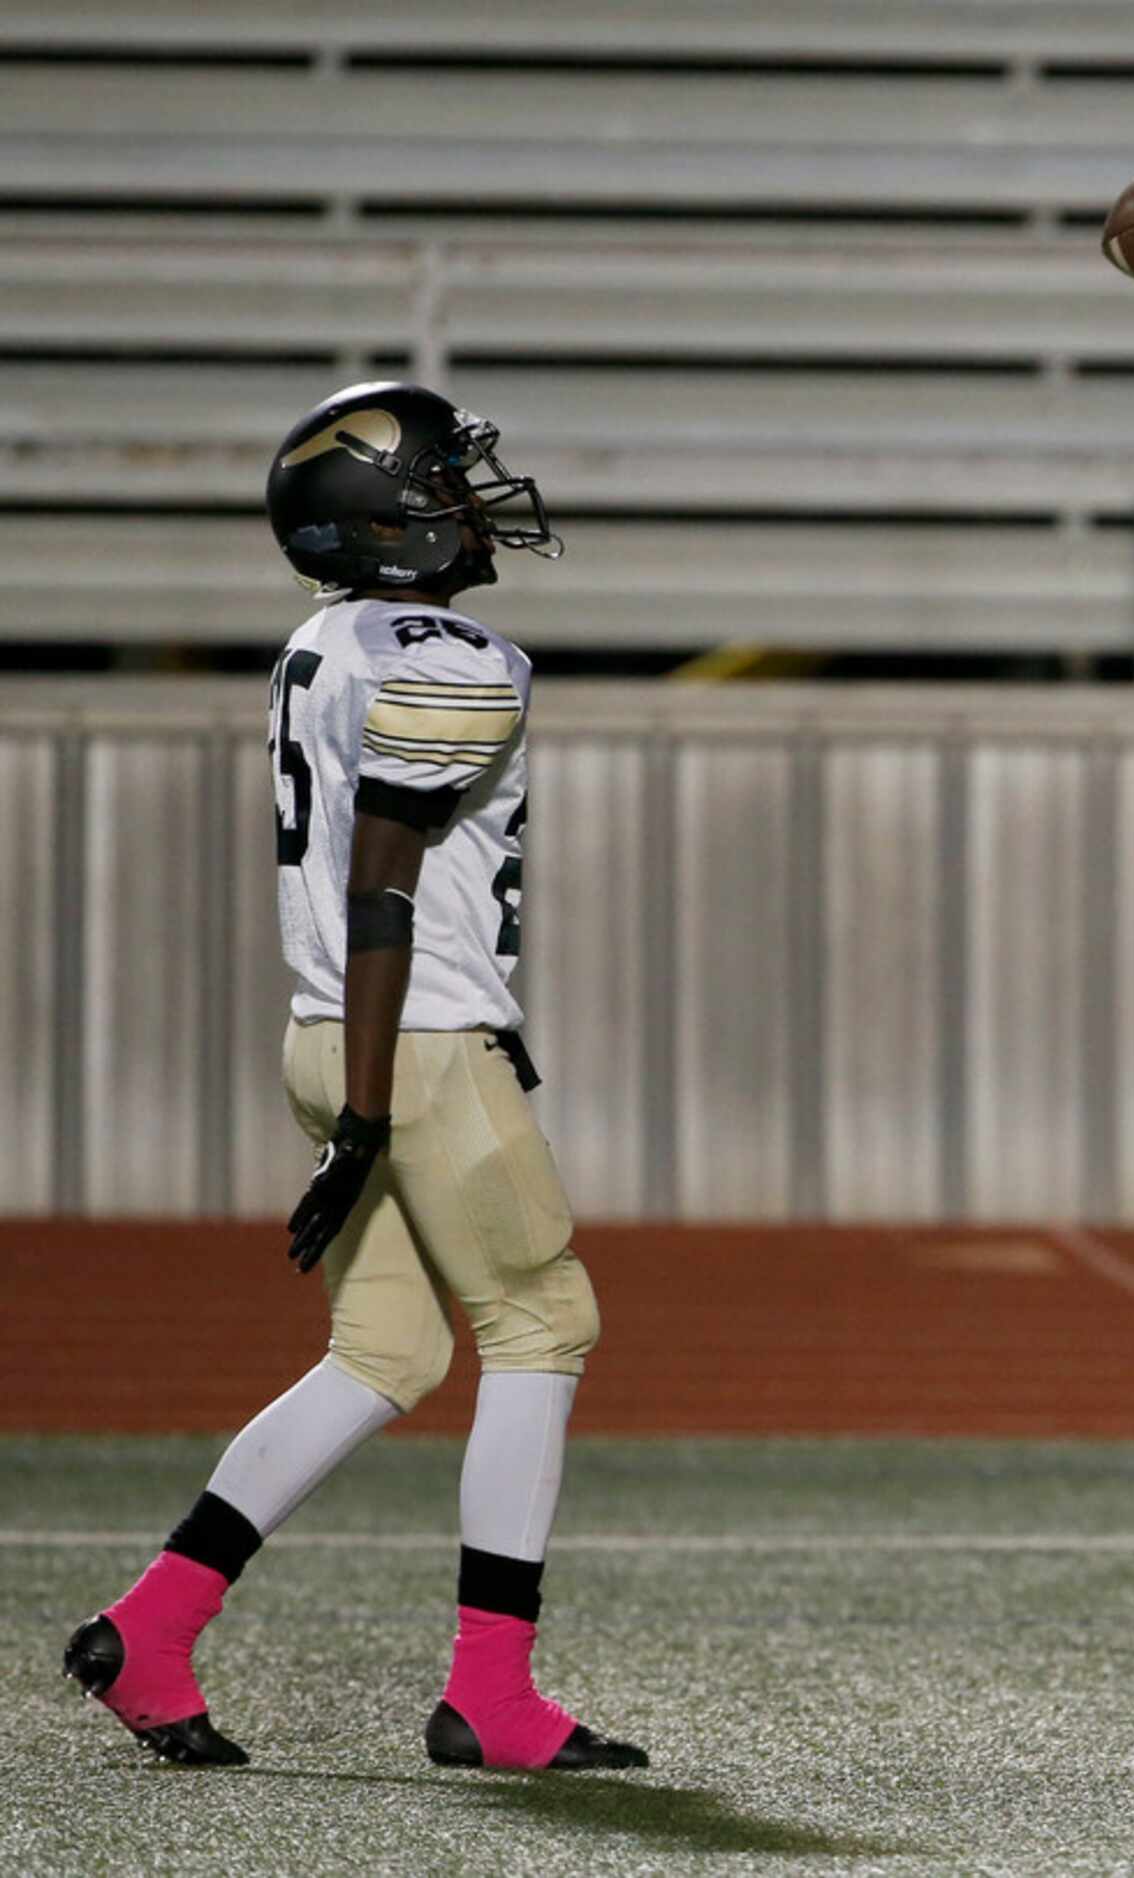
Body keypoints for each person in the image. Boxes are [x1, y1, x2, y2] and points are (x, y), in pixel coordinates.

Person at [63, 382, 647, 1773]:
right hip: (412, 1040)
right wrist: (382, 1101)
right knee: (542, 1322)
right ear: (384, 524)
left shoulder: (325, 640)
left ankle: (151, 1627)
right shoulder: (455, 653)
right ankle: (491, 1696)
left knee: (386, 1350)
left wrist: (355, 1091)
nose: (474, 499)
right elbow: (386, 884)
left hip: (324, 1029)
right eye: (446, 480)